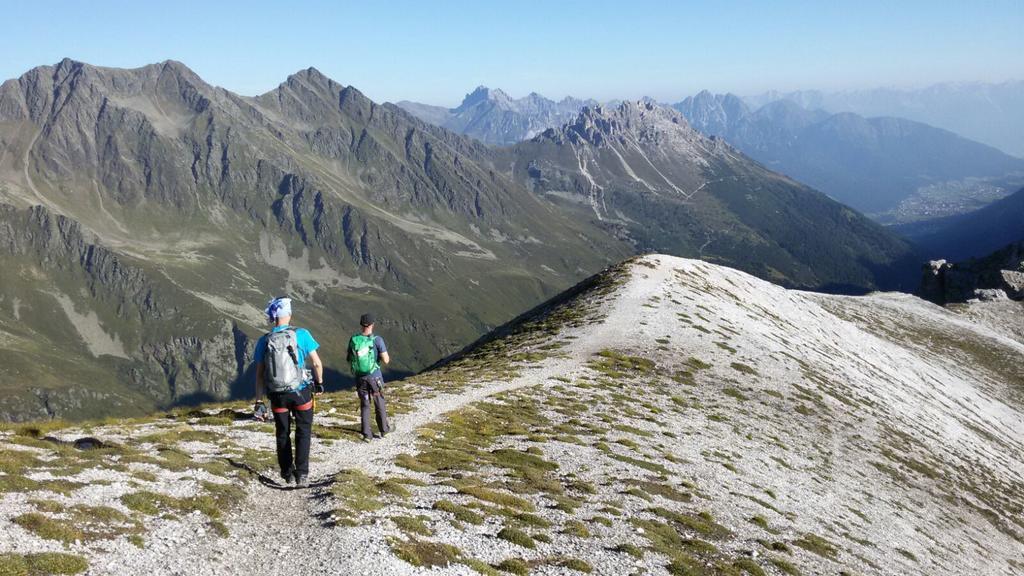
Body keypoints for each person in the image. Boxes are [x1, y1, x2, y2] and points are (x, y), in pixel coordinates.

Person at [253, 297, 324, 487]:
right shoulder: (301, 334)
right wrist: (319, 383)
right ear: (289, 315)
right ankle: (302, 474)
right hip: (300, 392)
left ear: (274, 317)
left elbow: (259, 375)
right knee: (303, 431)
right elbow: (316, 363)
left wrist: (259, 401)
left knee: (282, 432)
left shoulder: (264, 340)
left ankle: (287, 473)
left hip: (277, 395)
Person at [347, 313, 391, 442]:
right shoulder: (377, 339)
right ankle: (384, 430)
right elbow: (386, 360)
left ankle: (367, 434)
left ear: (361, 324)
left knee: (365, 404)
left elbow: (349, 358)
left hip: (360, 378)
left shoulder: (354, 340)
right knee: (379, 403)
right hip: (374, 377)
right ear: (372, 324)